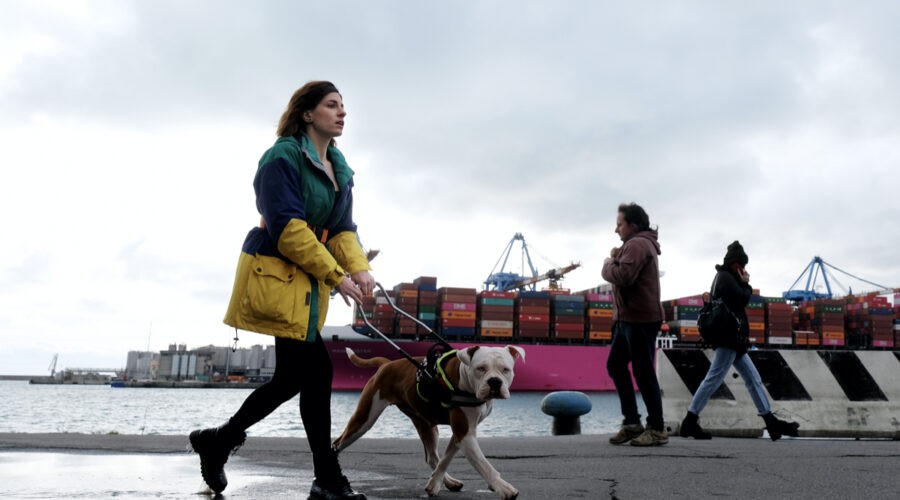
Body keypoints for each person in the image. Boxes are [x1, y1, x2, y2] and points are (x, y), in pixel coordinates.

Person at [189, 81, 374, 500]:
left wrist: (359, 268)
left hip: (308, 284)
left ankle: (218, 441)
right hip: (278, 275)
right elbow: (288, 230)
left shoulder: (339, 168)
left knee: (296, 377)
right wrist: (336, 276)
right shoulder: (282, 156)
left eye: (344, 106)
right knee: (315, 373)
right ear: (307, 113)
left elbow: (343, 230)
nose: (342, 113)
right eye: (332, 105)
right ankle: (326, 478)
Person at [679, 241, 800, 441]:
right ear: (737, 264)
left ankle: (771, 423)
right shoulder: (726, 278)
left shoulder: (724, 277)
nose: (744, 270)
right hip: (728, 339)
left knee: (753, 379)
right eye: (743, 266)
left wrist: (742, 283)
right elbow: (743, 298)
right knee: (713, 379)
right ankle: (690, 421)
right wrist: (746, 282)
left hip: (734, 339)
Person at [601, 202, 668, 446]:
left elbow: (623, 276)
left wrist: (609, 262)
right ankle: (631, 423)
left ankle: (657, 428)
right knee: (616, 366)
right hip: (628, 319)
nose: (616, 229)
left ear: (633, 224)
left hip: (639, 319)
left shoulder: (638, 244)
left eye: (619, 224)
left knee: (643, 372)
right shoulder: (635, 244)